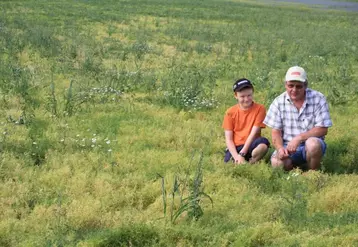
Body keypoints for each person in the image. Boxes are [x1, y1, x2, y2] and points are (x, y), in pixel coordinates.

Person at [264, 66, 333, 171]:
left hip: (310, 143)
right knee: (276, 163)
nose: (294, 90)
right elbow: (276, 131)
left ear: (305, 85)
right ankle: (297, 170)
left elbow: (323, 129)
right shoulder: (278, 102)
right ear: (285, 85)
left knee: (313, 145)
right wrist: (280, 148)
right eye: (291, 86)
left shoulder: (318, 98)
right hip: (288, 145)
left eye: (299, 86)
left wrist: (299, 138)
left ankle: (312, 172)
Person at [222, 78, 270, 164]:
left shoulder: (260, 109)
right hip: (236, 146)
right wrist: (237, 156)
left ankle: (252, 162)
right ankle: (239, 161)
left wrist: (242, 153)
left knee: (263, 144)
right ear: (236, 96)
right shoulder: (230, 112)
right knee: (229, 163)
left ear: (253, 93)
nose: (246, 99)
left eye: (249, 95)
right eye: (242, 96)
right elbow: (228, 139)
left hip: (252, 144)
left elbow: (254, 133)